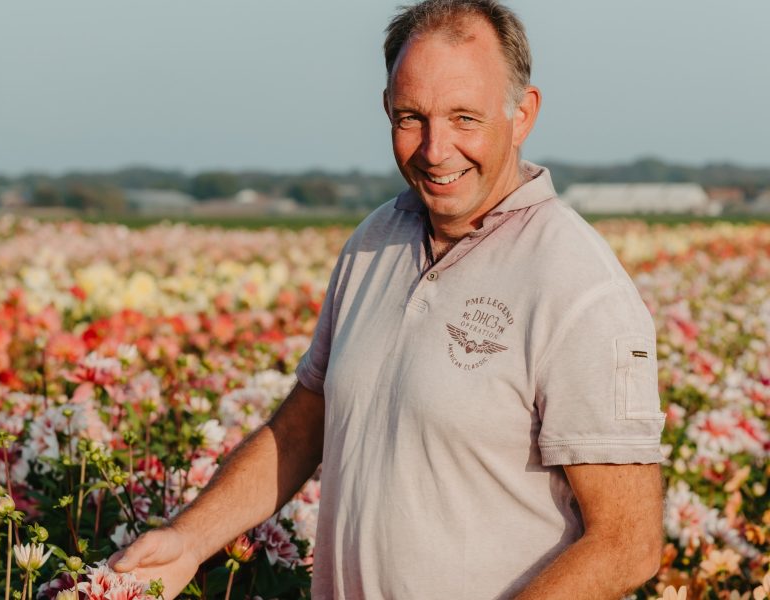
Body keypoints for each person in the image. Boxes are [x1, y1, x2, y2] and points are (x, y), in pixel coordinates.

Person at [112, 1, 666, 598]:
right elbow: (305, 426)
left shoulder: (576, 282)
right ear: (385, 110)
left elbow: (627, 543)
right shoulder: (374, 241)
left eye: (464, 118)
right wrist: (191, 540)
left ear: (523, 112)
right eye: (411, 118)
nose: (435, 148)